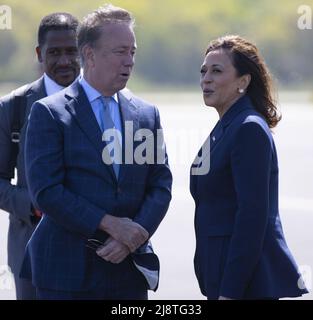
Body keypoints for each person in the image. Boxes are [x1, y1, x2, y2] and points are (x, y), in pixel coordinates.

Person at [21, 4, 172, 300]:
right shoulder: (49, 113)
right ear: (88, 54)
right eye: (120, 52)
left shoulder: (145, 114)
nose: (129, 61)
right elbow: (47, 191)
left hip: (128, 271)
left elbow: (160, 184)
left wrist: (135, 235)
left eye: (133, 52)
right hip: (65, 274)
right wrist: (110, 224)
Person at [190, 35, 308, 300]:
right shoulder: (228, 126)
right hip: (222, 276)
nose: (205, 78)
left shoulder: (248, 129)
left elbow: (252, 219)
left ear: (243, 82)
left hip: (246, 284)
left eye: (217, 71)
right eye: (203, 71)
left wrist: (230, 291)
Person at [0, 12, 80, 300]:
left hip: (93, 251)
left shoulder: (104, 102)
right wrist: (32, 204)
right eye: (54, 53)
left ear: (84, 50)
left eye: (71, 52)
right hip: (31, 250)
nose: (64, 61)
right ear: (39, 53)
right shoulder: (14, 107)